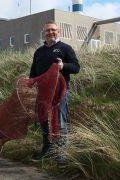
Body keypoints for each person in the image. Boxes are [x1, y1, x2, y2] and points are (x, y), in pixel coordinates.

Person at [29, 20, 80, 161]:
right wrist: (30, 86)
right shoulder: (39, 52)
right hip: (42, 94)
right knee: (44, 122)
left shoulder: (65, 48)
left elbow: (76, 68)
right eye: (47, 31)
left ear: (58, 32)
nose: (50, 32)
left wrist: (63, 66)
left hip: (60, 94)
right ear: (43, 34)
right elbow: (33, 72)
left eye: (53, 30)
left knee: (60, 123)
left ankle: (61, 155)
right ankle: (47, 152)